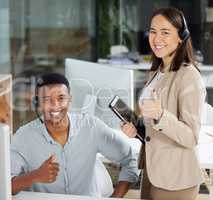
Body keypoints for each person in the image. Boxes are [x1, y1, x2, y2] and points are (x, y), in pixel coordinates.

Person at [121, 7, 206, 200]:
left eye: (165, 32)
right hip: (152, 171)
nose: (156, 38)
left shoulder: (188, 76)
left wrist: (160, 115)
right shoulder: (157, 71)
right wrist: (138, 129)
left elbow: (190, 137)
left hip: (175, 178)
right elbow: (156, 129)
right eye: (153, 31)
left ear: (180, 37)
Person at [11, 73, 139, 197]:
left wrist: (117, 197)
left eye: (61, 98)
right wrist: (35, 176)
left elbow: (131, 159)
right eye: (46, 99)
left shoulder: (91, 126)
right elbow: (5, 185)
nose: (55, 106)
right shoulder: (24, 137)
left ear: (70, 99)